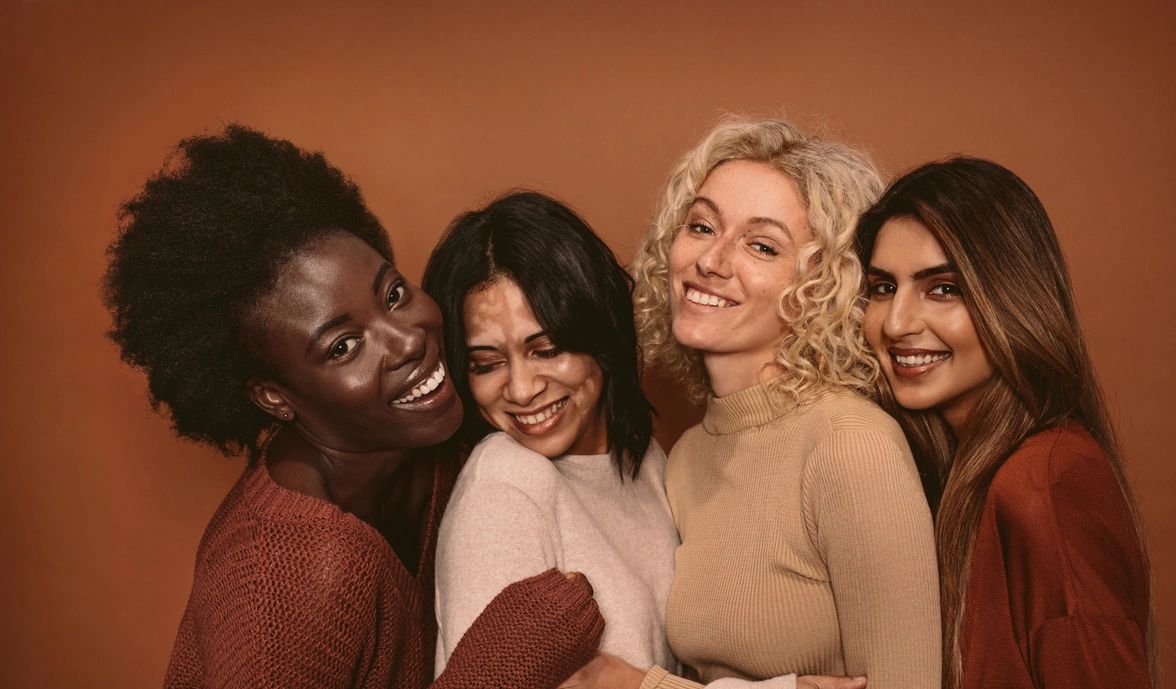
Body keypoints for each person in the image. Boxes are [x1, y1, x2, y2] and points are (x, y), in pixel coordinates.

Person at [103, 126, 604, 689]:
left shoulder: (432, 436)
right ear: (275, 396)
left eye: (392, 294)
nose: (407, 339)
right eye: (343, 347)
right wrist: (497, 671)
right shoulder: (284, 580)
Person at [424, 191, 859, 689]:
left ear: (599, 331)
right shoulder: (505, 482)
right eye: (487, 364)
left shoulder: (647, 461)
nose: (521, 389)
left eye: (547, 349)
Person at [624, 117, 942, 689]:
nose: (712, 261)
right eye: (701, 227)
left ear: (824, 285)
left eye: (761, 245)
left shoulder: (849, 445)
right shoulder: (687, 457)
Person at [855, 156, 1154, 689]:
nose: (897, 323)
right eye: (882, 288)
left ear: (1011, 299)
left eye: (943, 288)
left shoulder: (1047, 480)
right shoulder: (956, 472)